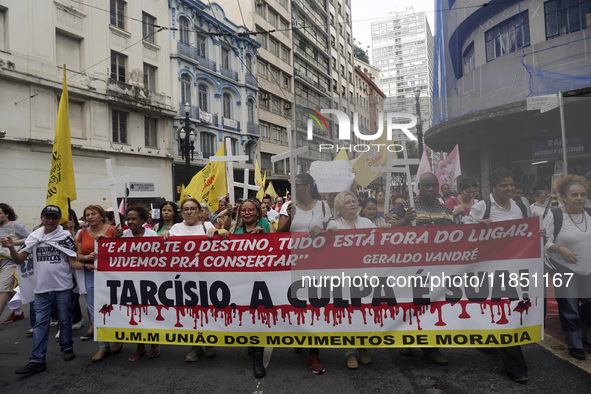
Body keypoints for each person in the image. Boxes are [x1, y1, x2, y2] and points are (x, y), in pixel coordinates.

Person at [463, 167, 529, 383]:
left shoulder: (520, 205)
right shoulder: (484, 206)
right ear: (493, 187)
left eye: (511, 184)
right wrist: (478, 227)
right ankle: (516, 367)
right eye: (504, 185)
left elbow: (525, 231)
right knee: (506, 312)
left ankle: (488, 342)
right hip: (490, 269)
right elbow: (465, 232)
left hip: (515, 268)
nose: (510, 188)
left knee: (503, 309)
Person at [1, 205, 83, 374]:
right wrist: (10, 247)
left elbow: (73, 260)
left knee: (65, 320)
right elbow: (19, 260)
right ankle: (37, 359)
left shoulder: (65, 236)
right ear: (41, 218)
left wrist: (88, 264)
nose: (50, 220)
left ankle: (67, 347)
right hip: (41, 289)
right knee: (40, 324)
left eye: (54, 218)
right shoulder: (34, 236)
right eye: (47, 217)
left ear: (58, 220)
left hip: (63, 287)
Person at [388, 172, 451, 365]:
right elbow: (387, 229)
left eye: (434, 186)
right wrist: (405, 221)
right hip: (411, 268)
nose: (431, 189)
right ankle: (406, 339)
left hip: (437, 268)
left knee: (433, 308)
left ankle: (431, 348)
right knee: (411, 306)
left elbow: (456, 235)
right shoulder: (405, 206)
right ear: (419, 187)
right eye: (427, 186)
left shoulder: (445, 208)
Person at [277, 173, 336, 374]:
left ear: (309, 186)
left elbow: (332, 230)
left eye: (298, 185)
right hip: (293, 264)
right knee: (297, 304)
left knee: (314, 306)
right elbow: (278, 234)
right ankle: (298, 335)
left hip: (317, 264)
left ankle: (314, 354)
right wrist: (290, 216)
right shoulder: (288, 206)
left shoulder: (322, 206)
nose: (295, 189)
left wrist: (324, 229)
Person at [161, 197, 228, 362]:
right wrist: (164, 235)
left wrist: (220, 232)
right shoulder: (176, 228)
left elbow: (218, 245)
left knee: (206, 311)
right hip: (183, 279)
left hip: (205, 277)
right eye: (186, 209)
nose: (189, 212)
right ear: (181, 212)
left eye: (193, 209)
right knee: (189, 313)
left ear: (200, 212)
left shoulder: (208, 226)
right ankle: (195, 347)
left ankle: (209, 343)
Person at [543, 175, 591, 360]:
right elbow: (543, 242)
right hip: (563, 269)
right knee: (569, 306)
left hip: (588, 269)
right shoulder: (555, 216)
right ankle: (575, 343)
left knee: (589, 304)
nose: (579, 198)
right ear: (563, 197)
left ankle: (585, 334)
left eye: (583, 194)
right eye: (574, 195)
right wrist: (559, 248)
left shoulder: (589, 214)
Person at [230, 198, 272, 378]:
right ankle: (252, 343)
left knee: (258, 315)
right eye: (244, 210)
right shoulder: (235, 230)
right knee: (246, 314)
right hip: (241, 280)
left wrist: (265, 236)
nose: (247, 213)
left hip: (261, 280)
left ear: (258, 212)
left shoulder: (266, 225)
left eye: (250, 210)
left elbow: (278, 245)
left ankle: (258, 357)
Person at [332, 191, 374, 369]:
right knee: (347, 314)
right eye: (348, 202)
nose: (352, 204)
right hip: (344, 276)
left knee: (363, 313)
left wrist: (386, 228)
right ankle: (349, 352)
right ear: (340, 207)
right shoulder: (334, 224)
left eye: (354, 201)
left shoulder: (366, 223)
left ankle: (363, 348)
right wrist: (330, 232)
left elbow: (380, 239)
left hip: (365, 276)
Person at [76, 204, 123, 362]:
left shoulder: (113, 230)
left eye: (93, 214)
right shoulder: (82, 233)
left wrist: (110, 239)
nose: (90, 217)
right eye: (87, 215)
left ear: (102, 216)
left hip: (112, 275)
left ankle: (117, 337)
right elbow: (79, 255)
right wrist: (87, 258)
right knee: (95, 308)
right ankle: (103, 346)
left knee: (115, 307)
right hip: (92, 274)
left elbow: (122, 249)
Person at [121, 205, 160, 362]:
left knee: (150, 312)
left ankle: (154, 343)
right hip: (131, 281)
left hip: (150, 281)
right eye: (128, 219)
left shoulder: (151, 234)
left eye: (133, 219)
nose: (130, 221)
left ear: (143, 220)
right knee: (136, 314)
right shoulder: (123, 235)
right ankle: (140, 346)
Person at [0, 203, 29, 323]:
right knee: (9, 289)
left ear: (7, 214)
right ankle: (17, 313)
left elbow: (30, 238)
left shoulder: (14, 225)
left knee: (3, 290)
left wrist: (12, 243)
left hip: (9, 261)